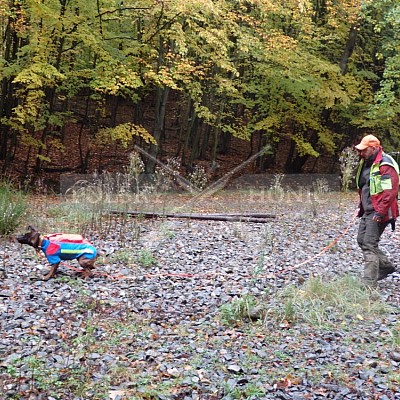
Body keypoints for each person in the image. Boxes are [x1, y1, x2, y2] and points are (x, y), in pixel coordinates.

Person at [355, 134, 399, 289]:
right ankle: (386, 266)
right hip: (368, 210)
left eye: (363, 150)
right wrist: (362, 208)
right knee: (361, 240)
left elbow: (389, 192)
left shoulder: (385, 164)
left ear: (373, 148)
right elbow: (366, 188)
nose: (361, 153)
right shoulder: (366, 163)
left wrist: (379, 213)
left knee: (369, 244)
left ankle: (368, 284)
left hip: (380, 212)